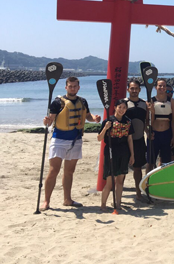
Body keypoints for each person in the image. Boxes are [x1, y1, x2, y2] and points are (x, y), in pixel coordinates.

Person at [40, 76, 101, 210]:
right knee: (53, 170)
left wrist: (95, 119)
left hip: (76, 140)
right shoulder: (57, 102)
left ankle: (67, 199)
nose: (73, 88)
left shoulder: (83, 101)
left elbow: (88, 116)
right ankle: (46, 201)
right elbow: (50, 120)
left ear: (78, 87)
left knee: (69, 171)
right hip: (59, 139)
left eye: (75, 86)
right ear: (66, 87)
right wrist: (46, 122)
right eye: (70, 86)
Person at [97, 99, 134, 212]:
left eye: (124, 108)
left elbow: (129, 139)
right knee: (110, 180)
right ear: (115, 108)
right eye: (120, 107)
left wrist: (132, 155)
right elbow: (99, 138)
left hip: (124, 151)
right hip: (111, 150)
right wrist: (105, 128)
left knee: (120, 180)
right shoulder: (108, 121)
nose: (122, 110)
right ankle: (103, 204)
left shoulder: (128, 121)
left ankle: (118, 204)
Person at [124, 79, 148, 201]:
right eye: (131, 88)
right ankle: (119, 195)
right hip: (124, 141)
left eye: (136, 88)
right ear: (128, 89)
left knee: (138, 168)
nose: (134, 91)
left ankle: (138, 193)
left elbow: (146, 122)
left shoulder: (144, 104)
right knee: (122, 169)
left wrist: (149, 133)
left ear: (139, 89)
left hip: (138, 140)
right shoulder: (123, 103)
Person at [146, 78, 174, 171]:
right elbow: (147, 121)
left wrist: (173, 137)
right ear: (156, 87)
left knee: (166, 163)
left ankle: (164, 183)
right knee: (150, 162)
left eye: (164, 86)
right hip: (154, 135)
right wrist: (147, 132)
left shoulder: (171, 101)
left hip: (166, 134)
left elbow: (173, 120)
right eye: (160, 85)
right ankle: (147, 183)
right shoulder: (151, 101)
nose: (162, 87)